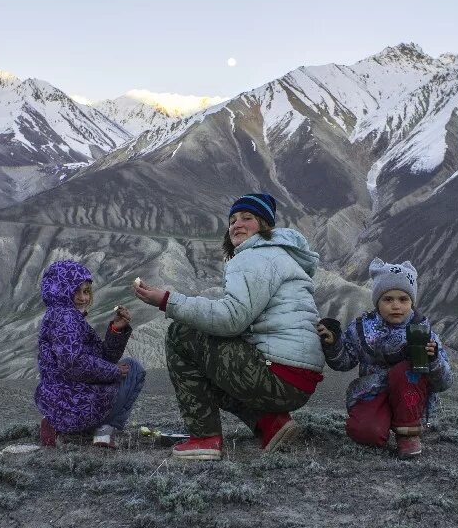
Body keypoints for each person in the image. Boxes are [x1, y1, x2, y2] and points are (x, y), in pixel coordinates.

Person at [133, 193, 324, 460]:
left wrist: (167, 301)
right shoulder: (280, 256)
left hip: (277, 375)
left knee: (181, 333)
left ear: (265, 225)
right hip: (297, 380)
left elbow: (232, 319)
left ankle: (204, 438)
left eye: (247, 218)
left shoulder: (254, 257)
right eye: (233, 220)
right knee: (212, 361)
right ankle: (271, 423)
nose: (237, 225)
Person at [316, 258, 452, 458]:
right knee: (364, 432)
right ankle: (380, 422)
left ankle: (408, 434)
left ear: (412, 302)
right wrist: (333, 343)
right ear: (377, 301)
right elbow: (344, 362)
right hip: (372, 390)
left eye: (403, 299)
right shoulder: (361, 328)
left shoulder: (424, 333)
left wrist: (433, 362)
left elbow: (445, 383)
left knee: (404, 371)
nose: (396, 305)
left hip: (409, 395)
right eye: (388, 299)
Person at [34, 260, 146, 449]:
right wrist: (114, 372)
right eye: (75, 291)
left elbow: (102, 358)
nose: (83, 298)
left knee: (123, 368)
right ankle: (103, 432)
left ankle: (56, 424)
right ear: (61, 291)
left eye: (86, 291)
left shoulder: (63, 316)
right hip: (72, 400)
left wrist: (116, 331)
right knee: (133, 369)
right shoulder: (65, 318)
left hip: (64, 398)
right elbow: (74, 363)